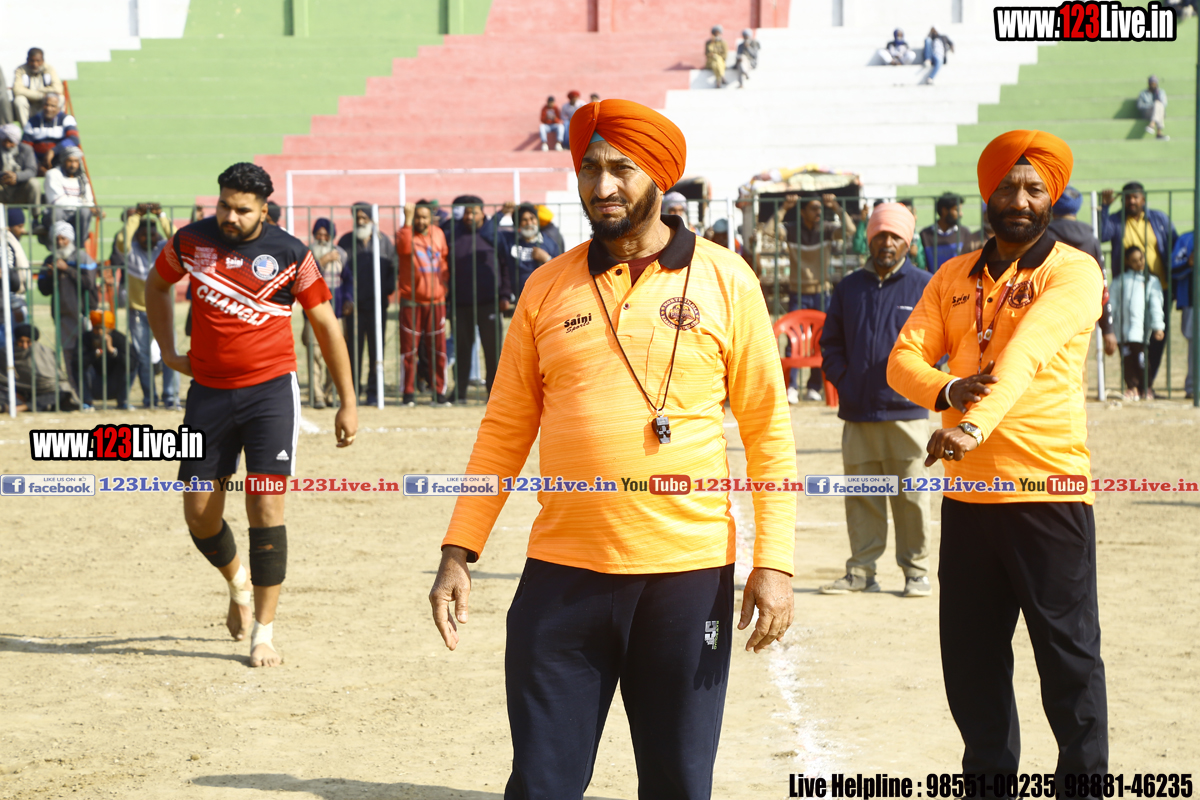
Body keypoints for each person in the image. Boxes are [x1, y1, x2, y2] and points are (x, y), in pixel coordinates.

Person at [429, 97, 797, 800]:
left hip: (687, 578)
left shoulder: (727, 280)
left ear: (659, 175)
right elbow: (504, 429)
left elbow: (767, 433)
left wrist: (774, 563)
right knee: (541, 784)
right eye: (589, 169)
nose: (602, 186)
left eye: (621, 169)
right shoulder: (545, 286)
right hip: (562, 576)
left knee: (678, 783)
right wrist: (458, 550)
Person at [888, 130, 1107, 783]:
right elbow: (902, 361)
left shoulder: (1073, 270)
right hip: (969, 500)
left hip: (1048, 496)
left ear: (1052, 198)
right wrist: (947, 389)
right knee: (972, 666)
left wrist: (972, 425)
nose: (1020, 198)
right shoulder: (952, 275)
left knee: (1068, 665)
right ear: (988, 193)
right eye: (1008, 186)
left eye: (1034, 188)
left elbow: (1026, 353)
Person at [145, 162, 357, 668]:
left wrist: (348, 401)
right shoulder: (190, 241)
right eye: (224, 205)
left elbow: (325, 325)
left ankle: (264, 631)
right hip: (208, 395)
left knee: (265, 506)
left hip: (270, 396)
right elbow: (154, 286)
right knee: (199, 513)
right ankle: (238, 583)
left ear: (264, 210)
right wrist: (168, 350)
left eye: (242, 209)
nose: (230, 216)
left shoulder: (291, 253)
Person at [819, 203, 932, 597]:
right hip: (858, 412)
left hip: (907, 415)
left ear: (908, 242)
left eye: (895, 236)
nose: (887, 242)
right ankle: (862, 571)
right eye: (880, 235)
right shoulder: (848, 288)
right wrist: (845, 381)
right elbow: (830, 344)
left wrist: (919, 384)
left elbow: (941, 345)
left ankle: (916, 572)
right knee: (862, 495)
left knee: (911, 496)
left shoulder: (925, 286)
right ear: (868, 239)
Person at [1099, 181, 1177, 394]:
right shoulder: (1116, 220)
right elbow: (1102, 235)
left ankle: (1147, 384)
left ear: (1143, 199)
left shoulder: (1159, 219)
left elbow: (1174, 243)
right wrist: (1104, 207)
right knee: (1130, 337)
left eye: (1135, 197)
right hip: (1129, 291)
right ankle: (1133, 384)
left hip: (1159, 287)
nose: (1131, 201)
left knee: (1157, 336)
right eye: (1127, 197)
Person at [444, 195, 511, 401]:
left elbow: (505, 265)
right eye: (466, 213)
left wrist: (504, 294)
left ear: (483, 213)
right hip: (461, 303)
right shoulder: (453, 235)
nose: (469, 216)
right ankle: (460, 392)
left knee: (493, 351)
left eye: (474, 212)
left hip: (489, 302)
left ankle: (495, 394)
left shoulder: (494, 235)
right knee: (462, 350)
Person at [117, 204, 179, 409]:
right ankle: (150, 398)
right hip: (138, 311)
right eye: (143, 235)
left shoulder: (163, 248)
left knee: (171, 354)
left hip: (163, 310)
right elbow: (122, 240)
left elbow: (178, 239)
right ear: (137, 236)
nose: (148, 238)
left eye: (152, 234)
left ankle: (170, 397)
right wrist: (136, 216)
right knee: (143, 357)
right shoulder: (130, 251)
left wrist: (162, 215)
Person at [337, 202, 397, 405]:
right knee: (353, 351)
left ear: (372, 219)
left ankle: (374, 391)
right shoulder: (346, 241)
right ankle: (352, 391)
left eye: (364, 217)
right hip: (353, 307)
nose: (361, 221)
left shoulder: (384, 241)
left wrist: (386, 290)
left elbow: (392, 269)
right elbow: (341, 272)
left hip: (377, 307)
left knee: (376, 351)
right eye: (358, 218)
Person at [795, 193, 853, 400]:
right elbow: (768, 231)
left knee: (822, 340)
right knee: (796, 340)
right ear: (802, 212)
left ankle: (814, 387)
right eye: (813, 208)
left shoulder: (827, 229)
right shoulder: (793, 230)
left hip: (822, 292)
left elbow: (851, 230)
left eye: (820, 208)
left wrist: (836, 206)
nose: (818, 212)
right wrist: (784, 207)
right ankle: (791, 386)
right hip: (798, 292)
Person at [1048, 184, 1117, 358]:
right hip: (1083, 314)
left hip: (1049, 315)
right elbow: (1102, 285)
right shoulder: (1091, 240)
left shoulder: (1044, 237)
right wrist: (1108, 329)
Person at [396, 200, 451, 406]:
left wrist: (444, 285)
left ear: (431, 218)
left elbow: (444, 259)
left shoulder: (438, 234)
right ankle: (408, 393)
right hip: (411, 301)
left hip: (436, 301)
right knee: (409, 350)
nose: (421, 221)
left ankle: (439, 392)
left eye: (424, 217)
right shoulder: (405, 233)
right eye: (418, 217)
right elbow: (403, 249)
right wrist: (408, 221)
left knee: (438, 349)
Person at [38, 220, 99, 399]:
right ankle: (76, 394)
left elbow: (89, 283)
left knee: (86, 355)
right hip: (63, 317)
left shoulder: (82, 257)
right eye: (56, 239)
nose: (60, 242)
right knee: (69, 357)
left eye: (63, 238)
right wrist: (51, 275)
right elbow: (43, 289)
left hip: (83, 314)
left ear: (70, 239)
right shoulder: (50, 260)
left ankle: (90, 393)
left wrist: (67, 270)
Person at [1111, 245, 1165, 401]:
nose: (1139, 263)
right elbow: (1112, 305)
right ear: (1128, 262)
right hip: (1122, 331)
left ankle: (1146, 387)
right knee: (1127, 361)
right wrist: (1109, 327)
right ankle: (1132, 387)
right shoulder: (1120, 281)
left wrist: (1158, 326)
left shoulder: (1151, 281)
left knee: (1142, 361)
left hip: (1140, 331)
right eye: (1134, 261)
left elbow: (1156, 305)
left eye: (1141, 259)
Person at [305, 218, 346, 408]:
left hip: (336, 312)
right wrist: (322, 261)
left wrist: (348, 300)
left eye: (325, 235)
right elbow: (305, 277)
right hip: (312, 312)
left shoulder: (341, 254)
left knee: (335, 352)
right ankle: (317, 396)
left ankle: (331, 394)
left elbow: (348, 279)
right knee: (314, 354)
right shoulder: (307, 254)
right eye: (318, 234)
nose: (322, 238)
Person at [0, 323, 80, 412]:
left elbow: (55, 380)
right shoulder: (5, 353)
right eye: (21, 341)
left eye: (28, 342)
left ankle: (22, 407)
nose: (24, 346)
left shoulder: (44, 353)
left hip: (44, 391)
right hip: (18, 393)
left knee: (62, 391)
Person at [499, 202, 559, 300]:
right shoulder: (509, 240)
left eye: (532, 218)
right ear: (518, 224)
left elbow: (561, 270)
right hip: (520, 299)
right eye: (524, 220)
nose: (529, 223)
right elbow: (487, 233)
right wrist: (502, 213)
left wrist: (547, 259)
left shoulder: (549, 242)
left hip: (545, 298)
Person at [81, 309, 134, 410]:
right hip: (94, 384)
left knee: (127, 362)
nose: (100, 332)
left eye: (103, 328)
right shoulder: (86, 338)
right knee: (82, 364)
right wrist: (95, 353)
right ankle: (87, 401)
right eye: (96, 328)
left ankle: (123, 401)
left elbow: (132, 363)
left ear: (110, 328)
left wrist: (112, 350)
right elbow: (76, 363)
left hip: (114, 383)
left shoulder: (119, 338)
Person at [44, 147, 97, 238]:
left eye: (76, 161)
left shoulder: (82, 178)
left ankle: (79, 245)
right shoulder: (53, 174)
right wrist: (84, 204)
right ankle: (58, 243)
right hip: (58, 214)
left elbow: (88, 200)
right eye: (70, 161)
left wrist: (94, 209)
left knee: (85, 212)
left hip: (76, 215)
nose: (73, 165)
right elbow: (58, 202)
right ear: (63, 161)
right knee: (57, 211)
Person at [21, 91, 78, 174]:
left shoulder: (66, 119)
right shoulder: (32, 122)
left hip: (60, 160)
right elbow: (25, 145)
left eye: (52, 106)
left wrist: (53, 151)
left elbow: (73, 139)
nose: (48, 108)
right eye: (46, 105)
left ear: (59, 108)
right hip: (37, 162)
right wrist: (37, 164)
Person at [919, 193, 976, 272]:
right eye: (957, 210)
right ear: (944, 210)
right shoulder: (925, 235)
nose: (961, 214)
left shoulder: (964, 233)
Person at [1170, 231, 1195, 398]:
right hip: (1193, 303)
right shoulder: (1187, 240)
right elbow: (1172, 268)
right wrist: (1189, 263)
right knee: (1195, 345)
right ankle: (1193, 387)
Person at [11, 49, 63, 127]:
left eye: (38, 61)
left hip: (45, 105)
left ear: (43, 61)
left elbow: (58, 89)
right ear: (27, 60)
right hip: (29, 105)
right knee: (19, 100)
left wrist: (41, 91)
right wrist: (40, 95)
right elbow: (17, 90)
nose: (35, 64)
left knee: (60, 98)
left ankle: (56, 127)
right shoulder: (21, 70)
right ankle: (27, 130)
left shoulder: (49, 69)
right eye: (32, 61)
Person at [0, 123, 38, 206]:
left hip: (19, 189)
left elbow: (31, 170)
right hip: (2, 188)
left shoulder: (26, 149)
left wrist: (16, 176)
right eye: (4, 141)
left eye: (10, 141)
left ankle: (36, 214)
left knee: (34, 183)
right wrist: (4, 175)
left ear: (16, 141)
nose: (7, 145)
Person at [897, 198, 928, 269]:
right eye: (912, 214)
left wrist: (916, 255)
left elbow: (922, 265)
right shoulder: (895, 237)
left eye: (915, 214)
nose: (916, 218)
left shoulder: (916, 236)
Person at [1137, 74, 1169, 140]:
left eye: (1154, 83)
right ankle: (1159, 133)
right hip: (1148, 112)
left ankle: (1152, 124)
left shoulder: (1161, 92)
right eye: (1151, 83)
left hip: (1159, 111)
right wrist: (1152, 105)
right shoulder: (1143, 93)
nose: (1153, 85)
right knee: (1157, 105)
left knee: (1159, 105)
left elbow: (1164, 104)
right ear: (1149, 84)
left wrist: (1156, 104)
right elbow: (1140, 105)